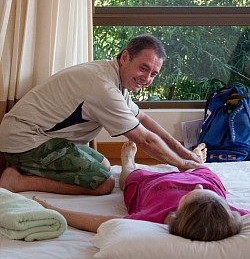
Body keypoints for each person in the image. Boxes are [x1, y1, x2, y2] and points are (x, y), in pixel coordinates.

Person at [0, 34, 202, 196]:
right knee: (104, 184)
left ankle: (31, 169)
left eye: (153, 74)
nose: (147, 78)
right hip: (25, 139)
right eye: (143, 68)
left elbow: (143, 119)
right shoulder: (103, 87)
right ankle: (18, 182)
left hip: (46, 137)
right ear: (125, 57)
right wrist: (182, 165)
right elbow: (145, 140)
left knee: (104, 164)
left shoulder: (115, 77)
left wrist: (184, 151)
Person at [33, 141, 249, 241]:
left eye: (194, 194)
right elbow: (202, 187)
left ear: (176, 214)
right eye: (204, 192)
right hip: (199, 175)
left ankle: (129, 160)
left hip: (149, 184)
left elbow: (98, 221)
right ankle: (194, 159)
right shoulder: (224, 212)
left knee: (127, 179)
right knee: (202, 173)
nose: (198, 189)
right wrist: (200, 178)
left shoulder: (156, 218)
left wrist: (51, 208)